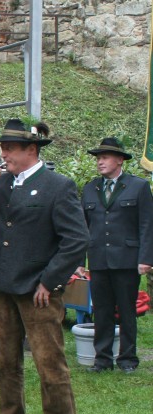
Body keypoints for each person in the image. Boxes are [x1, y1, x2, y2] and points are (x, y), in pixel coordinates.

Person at [0, 119, 87, 414]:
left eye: (10, 149)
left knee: (50, 364)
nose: (4, 154)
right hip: (3, 285)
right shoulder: (0, 184)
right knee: (5, 362)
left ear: (31, 150)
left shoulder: (58, 185)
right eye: (2, 148)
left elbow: (76, 239)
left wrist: (50, 280)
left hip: (38, 290)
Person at [77, 137, 152, 373]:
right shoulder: (90, 188)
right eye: (98, 158)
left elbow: (147, 225)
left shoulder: (138, 187)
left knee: (127, 311)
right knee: (101, 311)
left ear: (120, 160)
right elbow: (81, 228)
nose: (100, 162)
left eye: (105, 157)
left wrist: (146, 258)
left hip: (127, 260)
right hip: (99, 259)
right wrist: (80, 261)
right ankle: (102, 360)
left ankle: (128, 359)